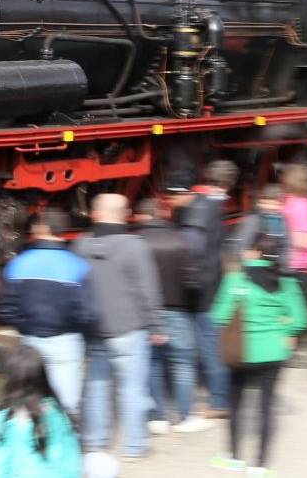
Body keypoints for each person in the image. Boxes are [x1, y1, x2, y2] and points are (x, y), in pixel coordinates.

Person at [207, 234, 307, 477]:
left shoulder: (236, 279)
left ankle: (234, 458)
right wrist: (286, 328)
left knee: (236, 405)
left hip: (241, 350)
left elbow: (218, 316)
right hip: (274, 351)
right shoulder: (287, 282)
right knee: (266, 407)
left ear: (255, 252)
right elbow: (301, 319)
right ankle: (260, 465)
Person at [72, 193, 162, 462]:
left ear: (95, 214)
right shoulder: (135, 246)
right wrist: (156, 323)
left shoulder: (80, 245)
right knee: (132, 388)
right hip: (129, 326)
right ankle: (134, 446)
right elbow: (148, 290)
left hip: (95, 328)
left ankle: (95, 441)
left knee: (97, 386)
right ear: (125, 215)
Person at [0, 210, 99, 416]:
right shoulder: (78, 265)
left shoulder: (18, 264)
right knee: (67, 406)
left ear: (40, 229)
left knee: (31, 403)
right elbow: (88, 313)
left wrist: (25, 326)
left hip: (31, 342)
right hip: (67, 342)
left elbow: (7, 309)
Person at [137, 193, 204, 435]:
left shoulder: (136, 242)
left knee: (152, 364)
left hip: (146, 312)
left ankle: (158, 417)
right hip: (177, 310)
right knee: (183, 364)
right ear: (163, 214)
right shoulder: (180, 240)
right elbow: (192, 281)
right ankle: (185, 415)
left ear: (140, 216)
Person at [0, 346, 85, 478]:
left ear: (10, 380)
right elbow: (72, 465)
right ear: (43, 377)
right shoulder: (59, 416)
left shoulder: (0, 424)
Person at [185, 162, 235, 420]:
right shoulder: (215, 206)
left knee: (209, 348)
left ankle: (219, 401)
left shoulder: (201, 207)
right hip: (214, 286)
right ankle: (219, 396)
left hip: (203, 292)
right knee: (211, 346)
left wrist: (188, 285)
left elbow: (192, 252)